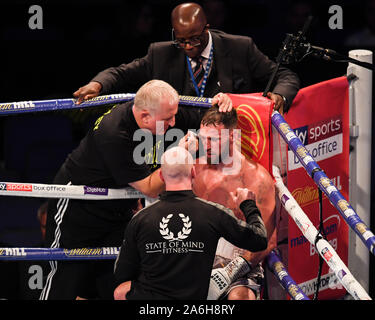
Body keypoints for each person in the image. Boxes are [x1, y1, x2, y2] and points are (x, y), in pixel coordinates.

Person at [40, 79, 225, 300]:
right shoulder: (115, 134)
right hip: (77, 208)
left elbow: (203, 120)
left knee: (114, 281)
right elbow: (149, 188)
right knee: (65, 282)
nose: (174, 123)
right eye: (168, 118)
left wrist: (220, 103)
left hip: (117, 212)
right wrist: (180, 154)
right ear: (146, 116)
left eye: (174, 115)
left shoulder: (157, 112)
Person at [73, 2, 300, 114]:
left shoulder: (240, 47)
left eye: (195, 39)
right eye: (182, 41)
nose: (188, 46)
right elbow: (121, 73)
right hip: (179, 140)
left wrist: (280, 95)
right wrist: (97, 84)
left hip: (231, 138)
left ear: (206, 29)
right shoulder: (160, 53)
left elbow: (284, 75)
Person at [113, 146, 267, 300]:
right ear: (193, 172)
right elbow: (259, 240)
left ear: (161, 175)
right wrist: (248, 205)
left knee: (121, 291)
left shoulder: (141, 218)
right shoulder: (212, 213)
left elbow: (122, 273)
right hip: (196, 300)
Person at [186, 106, 276, 300]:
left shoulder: (257, 179)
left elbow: (267, 240)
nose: (206, 145)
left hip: (240, 260)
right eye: (203, 138)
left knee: (239, 298)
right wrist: (178, 156)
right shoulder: (194, 168)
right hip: (197, 254)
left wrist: (231, 271)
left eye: (213, 139)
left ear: (234, 136)